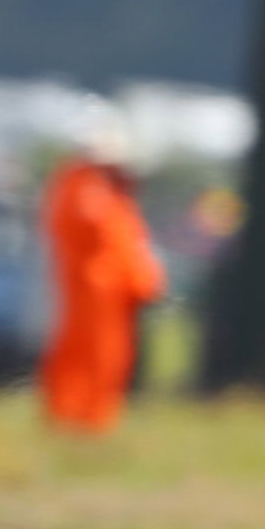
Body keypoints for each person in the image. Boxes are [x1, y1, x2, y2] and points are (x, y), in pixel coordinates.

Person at [39, 113, 165, 433]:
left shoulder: (101, 191)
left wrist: (143, 281)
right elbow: (97, 230)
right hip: (95, 290)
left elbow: (128, 245)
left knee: (105, 357)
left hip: (111, 293)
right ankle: (84, 420)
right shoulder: (85, 185)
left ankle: (88, 419)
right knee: (94, 356)